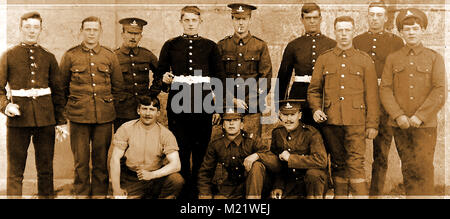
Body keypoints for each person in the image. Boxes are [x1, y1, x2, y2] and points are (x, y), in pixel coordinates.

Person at [150, 6, 225, 199]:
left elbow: (219, 78)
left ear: (200, 22)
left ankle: (198, 190)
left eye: (194, 20)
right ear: (181, 22)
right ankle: (183, 192)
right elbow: (160, 74)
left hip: (203, 105)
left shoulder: (210, 46)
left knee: (201, 150)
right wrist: (164, 81)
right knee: (180, 149)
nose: (190, 24)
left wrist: (218, 108)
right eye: (187, 20)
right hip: (178, 105)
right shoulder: (171, 45)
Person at [307, 16, 380, 198]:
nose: (344, 34)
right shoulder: (325, 59)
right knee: (338, 163)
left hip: (356, 121)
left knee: (356, 163)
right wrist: (316, 109)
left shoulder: (364, 60)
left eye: (347, 30)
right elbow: (314, 90)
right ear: (334, 31)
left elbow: (372, 96)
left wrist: (372, 124)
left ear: (353, 31)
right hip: (331, 121)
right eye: (340, 30)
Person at [380, 8, 447, 197]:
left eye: (415, 28)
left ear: (423, 30)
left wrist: (420, 116)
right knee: (408, 167)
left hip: (425, 125)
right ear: (401, 32)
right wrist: (398, 115)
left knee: (424, 167)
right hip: (400, 124)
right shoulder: (393, 58)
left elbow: (440, 90)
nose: (411, 32)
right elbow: (385, 88)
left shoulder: (435, 58)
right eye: (407, 29)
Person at [0, 11, 65, 198]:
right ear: (20, 29)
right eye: (27, 27)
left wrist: (61, 121)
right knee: (15, 170)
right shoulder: (8, 56)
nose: (31, 31)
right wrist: (5, 107)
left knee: (45, 168)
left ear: (41, 30)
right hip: (18, 119)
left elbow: (58, 92)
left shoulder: (49, 57)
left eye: (35, 27)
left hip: (45, 120)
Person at [59, 16, 124, 198]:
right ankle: (81, 194)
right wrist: (65, 115)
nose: (91, 33)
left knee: (100, 160)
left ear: (100, 32)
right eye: (88, 29)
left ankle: (99, 194)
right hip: (78, 117)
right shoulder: (70, 56)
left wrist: (109, 109)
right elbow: (61, 88)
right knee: (80, 161)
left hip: (104, 117)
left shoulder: (109, 56)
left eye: (95, 29)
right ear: (81, 31)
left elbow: (118, 88)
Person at [352, 1, 404, 197]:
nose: (374, 18)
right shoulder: (357, 41)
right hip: (359, 101)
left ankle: (375, 194)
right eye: (371, 14)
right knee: (354, 149)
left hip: (384, 103)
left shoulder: (396, 42)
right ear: (367, 17)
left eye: (379, 15)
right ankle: (356, 191)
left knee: (381, 152)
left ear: (386, 18)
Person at [110, 96, 184, 199]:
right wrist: (116, 189)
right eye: (144, 109)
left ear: (158, 113)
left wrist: (152, 175)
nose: (148, 113)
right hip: (132, 178)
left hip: (156, 177)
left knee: (176, 180)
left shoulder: (165, 134)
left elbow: (176, 165)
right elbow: (115, 159)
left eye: (152, 110)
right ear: (138, 110)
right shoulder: (126, 128)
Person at [197, 106, 279, 199]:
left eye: (235, 120)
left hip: (254, 187)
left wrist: (257, 155)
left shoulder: (252, 141)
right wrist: (205, 195)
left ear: (242, 125)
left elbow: (275, 163)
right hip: (231, 188)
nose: (231, 123)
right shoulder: (216, 144)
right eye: (228, 120)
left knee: (257, 166)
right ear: (223, 125)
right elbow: (205, 173)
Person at [217, 3, 272, 139]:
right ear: (232, 20)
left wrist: (248, 101)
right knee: (228, 148)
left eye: (244, 19)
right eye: (237, 19)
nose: (240, 23)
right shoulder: (222, 45)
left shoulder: (259, 45)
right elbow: (218, 78)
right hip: (228, 105)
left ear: (250, 20)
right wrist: (232, 100)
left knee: (251, 144)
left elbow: (265, 77)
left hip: (252, 107)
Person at [276, 2, 336, 126]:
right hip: (299, 96)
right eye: (308, 18)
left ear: (321, 19)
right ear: (302, 20)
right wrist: (280, 105)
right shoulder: (294, 45)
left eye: (315, 18)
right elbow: (283, 78)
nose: (312, 21)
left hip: (324, 97)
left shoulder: (332, 45)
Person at [270, 99, 328, 199]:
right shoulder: (277, 133)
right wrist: (278, 186)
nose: (288, 119)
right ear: (280, 115)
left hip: (311, 183)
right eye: (285, 114)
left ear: (300, 115)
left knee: (314, 174)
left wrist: (291, 158)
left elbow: (321, 160)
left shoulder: (311, 133)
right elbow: (277, 165)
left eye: (292, 114)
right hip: (289, 183)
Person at [114, 17, 159, 132]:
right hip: (121, 111)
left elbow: (160, 73)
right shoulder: (113, 56)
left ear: (141, 36)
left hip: (144, 110)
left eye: (137, 33)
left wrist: (152, 94)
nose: (133, 37)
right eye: (129, 33)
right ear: (122, 34)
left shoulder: (147, 55)